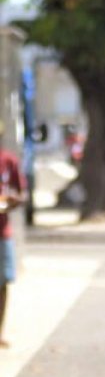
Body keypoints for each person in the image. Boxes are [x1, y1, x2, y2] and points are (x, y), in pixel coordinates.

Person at [0, 123, 26, 349]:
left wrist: (11, 201)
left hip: (2, 231)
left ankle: (0, 330)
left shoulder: (8, 161)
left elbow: (21, 193)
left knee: (3, 281)